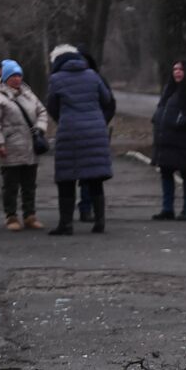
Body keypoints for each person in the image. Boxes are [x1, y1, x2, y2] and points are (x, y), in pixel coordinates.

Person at [45, 44, 113, 235]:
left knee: (66, 178)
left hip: (70, 132)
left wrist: (64, 118)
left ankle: (66, 224)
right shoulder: (92, 75)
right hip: (96, 130)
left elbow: (51, 105)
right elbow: (106, 99)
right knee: (95, 178)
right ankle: (99, 222)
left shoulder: (56, 79)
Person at [0, 59, 48, 231]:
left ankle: (30, 215)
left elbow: (42, 111)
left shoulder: (29, 94)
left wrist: (40, 129)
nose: (17, 79)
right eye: (13, 76)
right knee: (11, 186)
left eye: (19, 75)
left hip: (29, 147)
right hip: (9, 147)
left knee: (29, 185)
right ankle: (11, 216)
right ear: (5, 78)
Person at [150, 61, 186, 221]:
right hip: (166, 140)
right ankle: (167, 209)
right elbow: (162, 107)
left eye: (180, 69)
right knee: (166, 173)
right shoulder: (170, 88)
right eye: (174, 69)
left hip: (185, 140)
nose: (177, 72)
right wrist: (157, 119)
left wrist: (183, 121)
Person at [75, 48, 116, 224]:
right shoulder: (93, 79)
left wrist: (101, 121)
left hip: (92, 131)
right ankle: (86, 208)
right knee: (87, 174)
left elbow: (110, 104)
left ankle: (88, 208)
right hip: (86, 132)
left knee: (91, 175)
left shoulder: (97, 80)